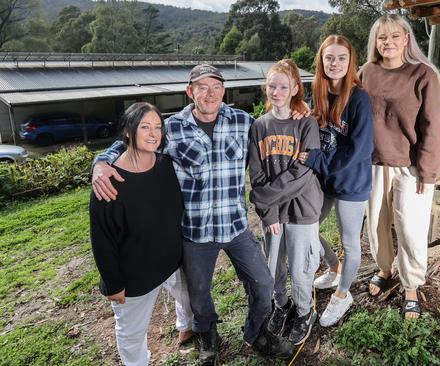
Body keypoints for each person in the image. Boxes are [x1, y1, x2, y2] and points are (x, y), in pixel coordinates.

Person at [91, 65, 295, 364]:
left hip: (236, 225)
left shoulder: (243, 122)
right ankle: (208, 335)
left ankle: (257, 332)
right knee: (198, 294)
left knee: (263, 283)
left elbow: (278, 126)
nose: (209, 92)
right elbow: (130, 140)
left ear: (223, 91)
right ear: (190, 92)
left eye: (215, 86)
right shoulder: (171, 128)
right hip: (195, 231)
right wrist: (101, 162)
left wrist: (300, 112)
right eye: (202, 87)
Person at [89, 102, 195, 366]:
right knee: (132, 334)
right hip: (135, 275)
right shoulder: (109, 181)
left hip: (172, 262)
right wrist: (114, 283)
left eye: (158, 127)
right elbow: (102, 240)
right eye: (144, 127)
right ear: (127, 131)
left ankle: (186, 325)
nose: (153, 134)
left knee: (188, 298)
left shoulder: (166, 165)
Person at [359, 14, 440, 319]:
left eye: (395, 36)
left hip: (410, 165)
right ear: (375, 42)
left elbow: (433, 126)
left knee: (410, 227)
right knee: (377, 225)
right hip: (373, 162)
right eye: (382, 38)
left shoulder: (423, 74)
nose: (388, 43)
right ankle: (385, 269)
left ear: (406, 39)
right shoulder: (366, 73)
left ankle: (411, 286)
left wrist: (428, 171)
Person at [297, 35, 373, 327]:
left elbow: (360, 150)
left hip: (351, 180)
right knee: (307, 225)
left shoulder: (359, 99)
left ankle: (343, 295)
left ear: (350, 61)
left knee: (350, 242)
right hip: (324, 178)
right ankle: (333, 266)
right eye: (330, 58)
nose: (335, 63)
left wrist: (317, 160)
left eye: (342, 58)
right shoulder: (316, 92)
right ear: (321, 61)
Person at [248, 59, 322, 345]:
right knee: (275, 266)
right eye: (271, 86)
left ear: (294, 89)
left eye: (283, 86)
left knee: (301, 267)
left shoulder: (306, 124)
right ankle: (282, 305)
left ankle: (305, 311)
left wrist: (264, 198)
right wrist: (270, 213)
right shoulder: (259, 126)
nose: (276, 91)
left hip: (302, 209)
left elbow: (303, 173)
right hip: (272, 215)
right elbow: (256, 173)